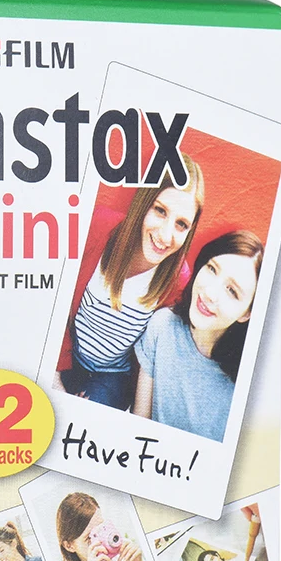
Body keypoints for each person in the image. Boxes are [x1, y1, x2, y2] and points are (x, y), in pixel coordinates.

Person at [57, 156, 205, 410]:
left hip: (112, 376)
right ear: (143, 204)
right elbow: (55, 296)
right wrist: (56, 374)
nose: (165, 236)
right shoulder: (99, 227)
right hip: (68, 353)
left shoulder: (177, 279)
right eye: (160, 211)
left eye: (181, 224)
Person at [134, 230, 264, 441]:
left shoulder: (247, 387)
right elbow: (139, 424)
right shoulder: (162, 326)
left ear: (247, 313)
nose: (210, 293)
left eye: (232, 291)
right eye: (212, 269)